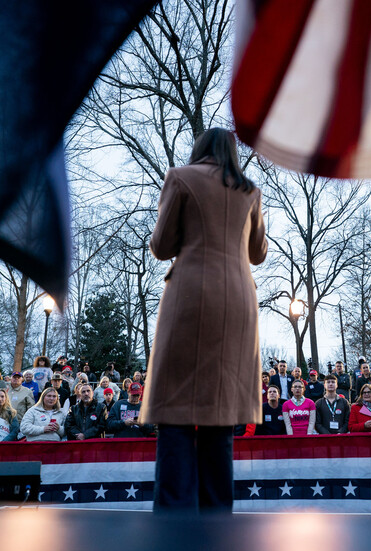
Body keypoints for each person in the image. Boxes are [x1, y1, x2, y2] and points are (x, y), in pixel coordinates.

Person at [140, 129, 268, 514]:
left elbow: (162, 246)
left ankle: (173, 526)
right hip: (238, 300)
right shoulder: (250, 191)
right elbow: (258, 253)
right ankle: (218, 523)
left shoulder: (180, 177)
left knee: (176, 407)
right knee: (221, 411)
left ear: (199, 150)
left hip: (191, 296)